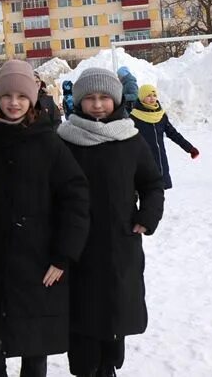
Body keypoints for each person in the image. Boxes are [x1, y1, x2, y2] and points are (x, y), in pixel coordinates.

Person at [0, 61, 90, 377]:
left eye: (21, 96)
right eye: (7, 95)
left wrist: (63, 255)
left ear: (32, 99)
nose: (14, 103)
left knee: (34, 346)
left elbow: (76, 198)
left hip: (40, 263)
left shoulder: (49, 142)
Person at [57, 68, 165, 377]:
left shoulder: (129, 138)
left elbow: (151, 183)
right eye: (89, 98)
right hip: (78, 246)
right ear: (79, 102)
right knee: (82, 317)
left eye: (104, 97)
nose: (98, 104)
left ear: (115, 99)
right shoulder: (64, 140)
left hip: (120, 242)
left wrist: (147, 216)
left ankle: (108, 368)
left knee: (115, 316)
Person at [130, 84, 199, 190]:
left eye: (154, 95)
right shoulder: (134, 117)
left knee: (157, 195)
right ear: (142, 97)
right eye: (148, 95)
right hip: (142, 162)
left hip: (160, 161)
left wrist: (189, 148)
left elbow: (173, 133)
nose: (152, 98)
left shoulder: (161, 115)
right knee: (144, 193)